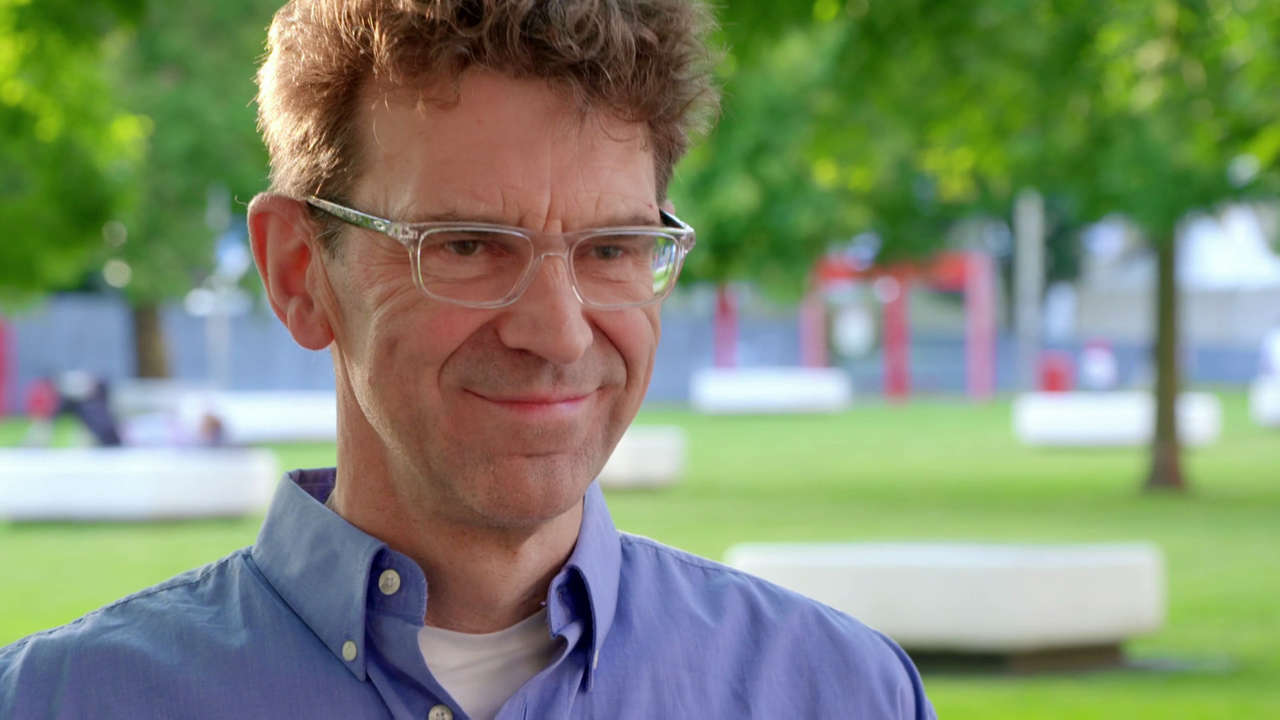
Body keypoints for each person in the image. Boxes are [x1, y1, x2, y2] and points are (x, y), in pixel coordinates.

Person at [0, 1, 935, 718]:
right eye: (465, 245)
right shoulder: (59, 702)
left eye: (612, 249)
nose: (558, 332)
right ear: (299, 273)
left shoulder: (839, 694)